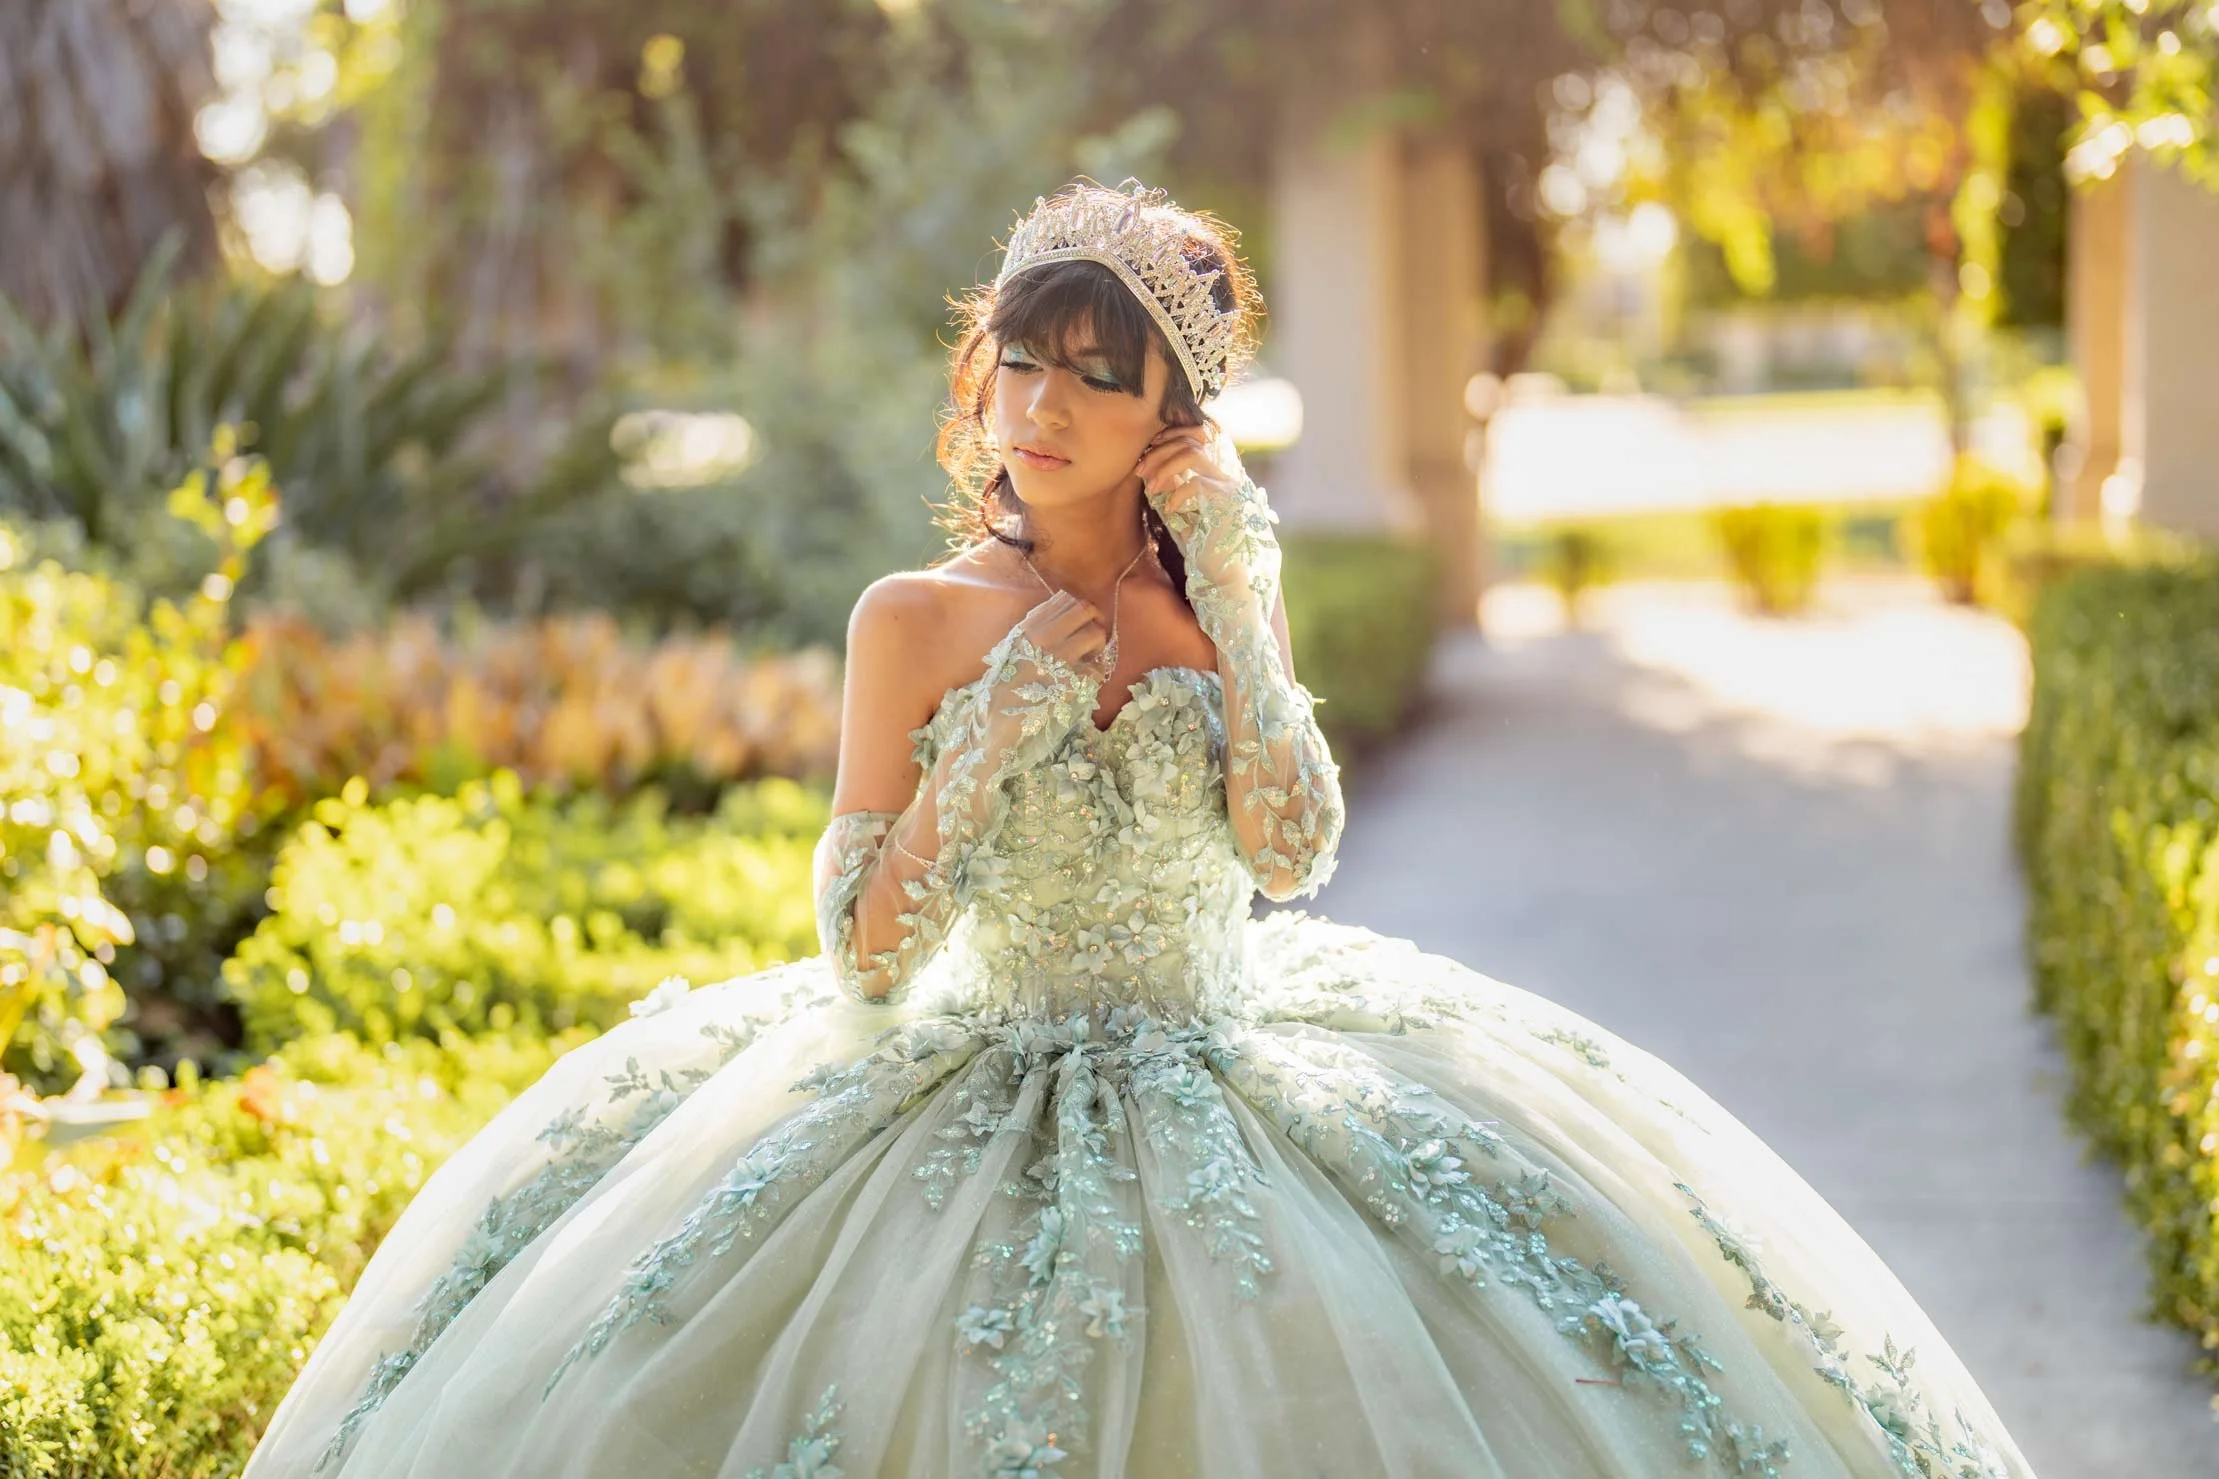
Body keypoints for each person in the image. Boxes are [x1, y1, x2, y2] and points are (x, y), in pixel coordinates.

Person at [246, 180, 2039, 1479]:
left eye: (1092, 378)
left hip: (1230, 1056)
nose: (1036, 409)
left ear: (1173, 417)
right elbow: (864, 951)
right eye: (1016, 364)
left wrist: (1246, 609)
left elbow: (1286, 853)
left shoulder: (1215, 604)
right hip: (967, 1079)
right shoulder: (912, 618)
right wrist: (997, 728)